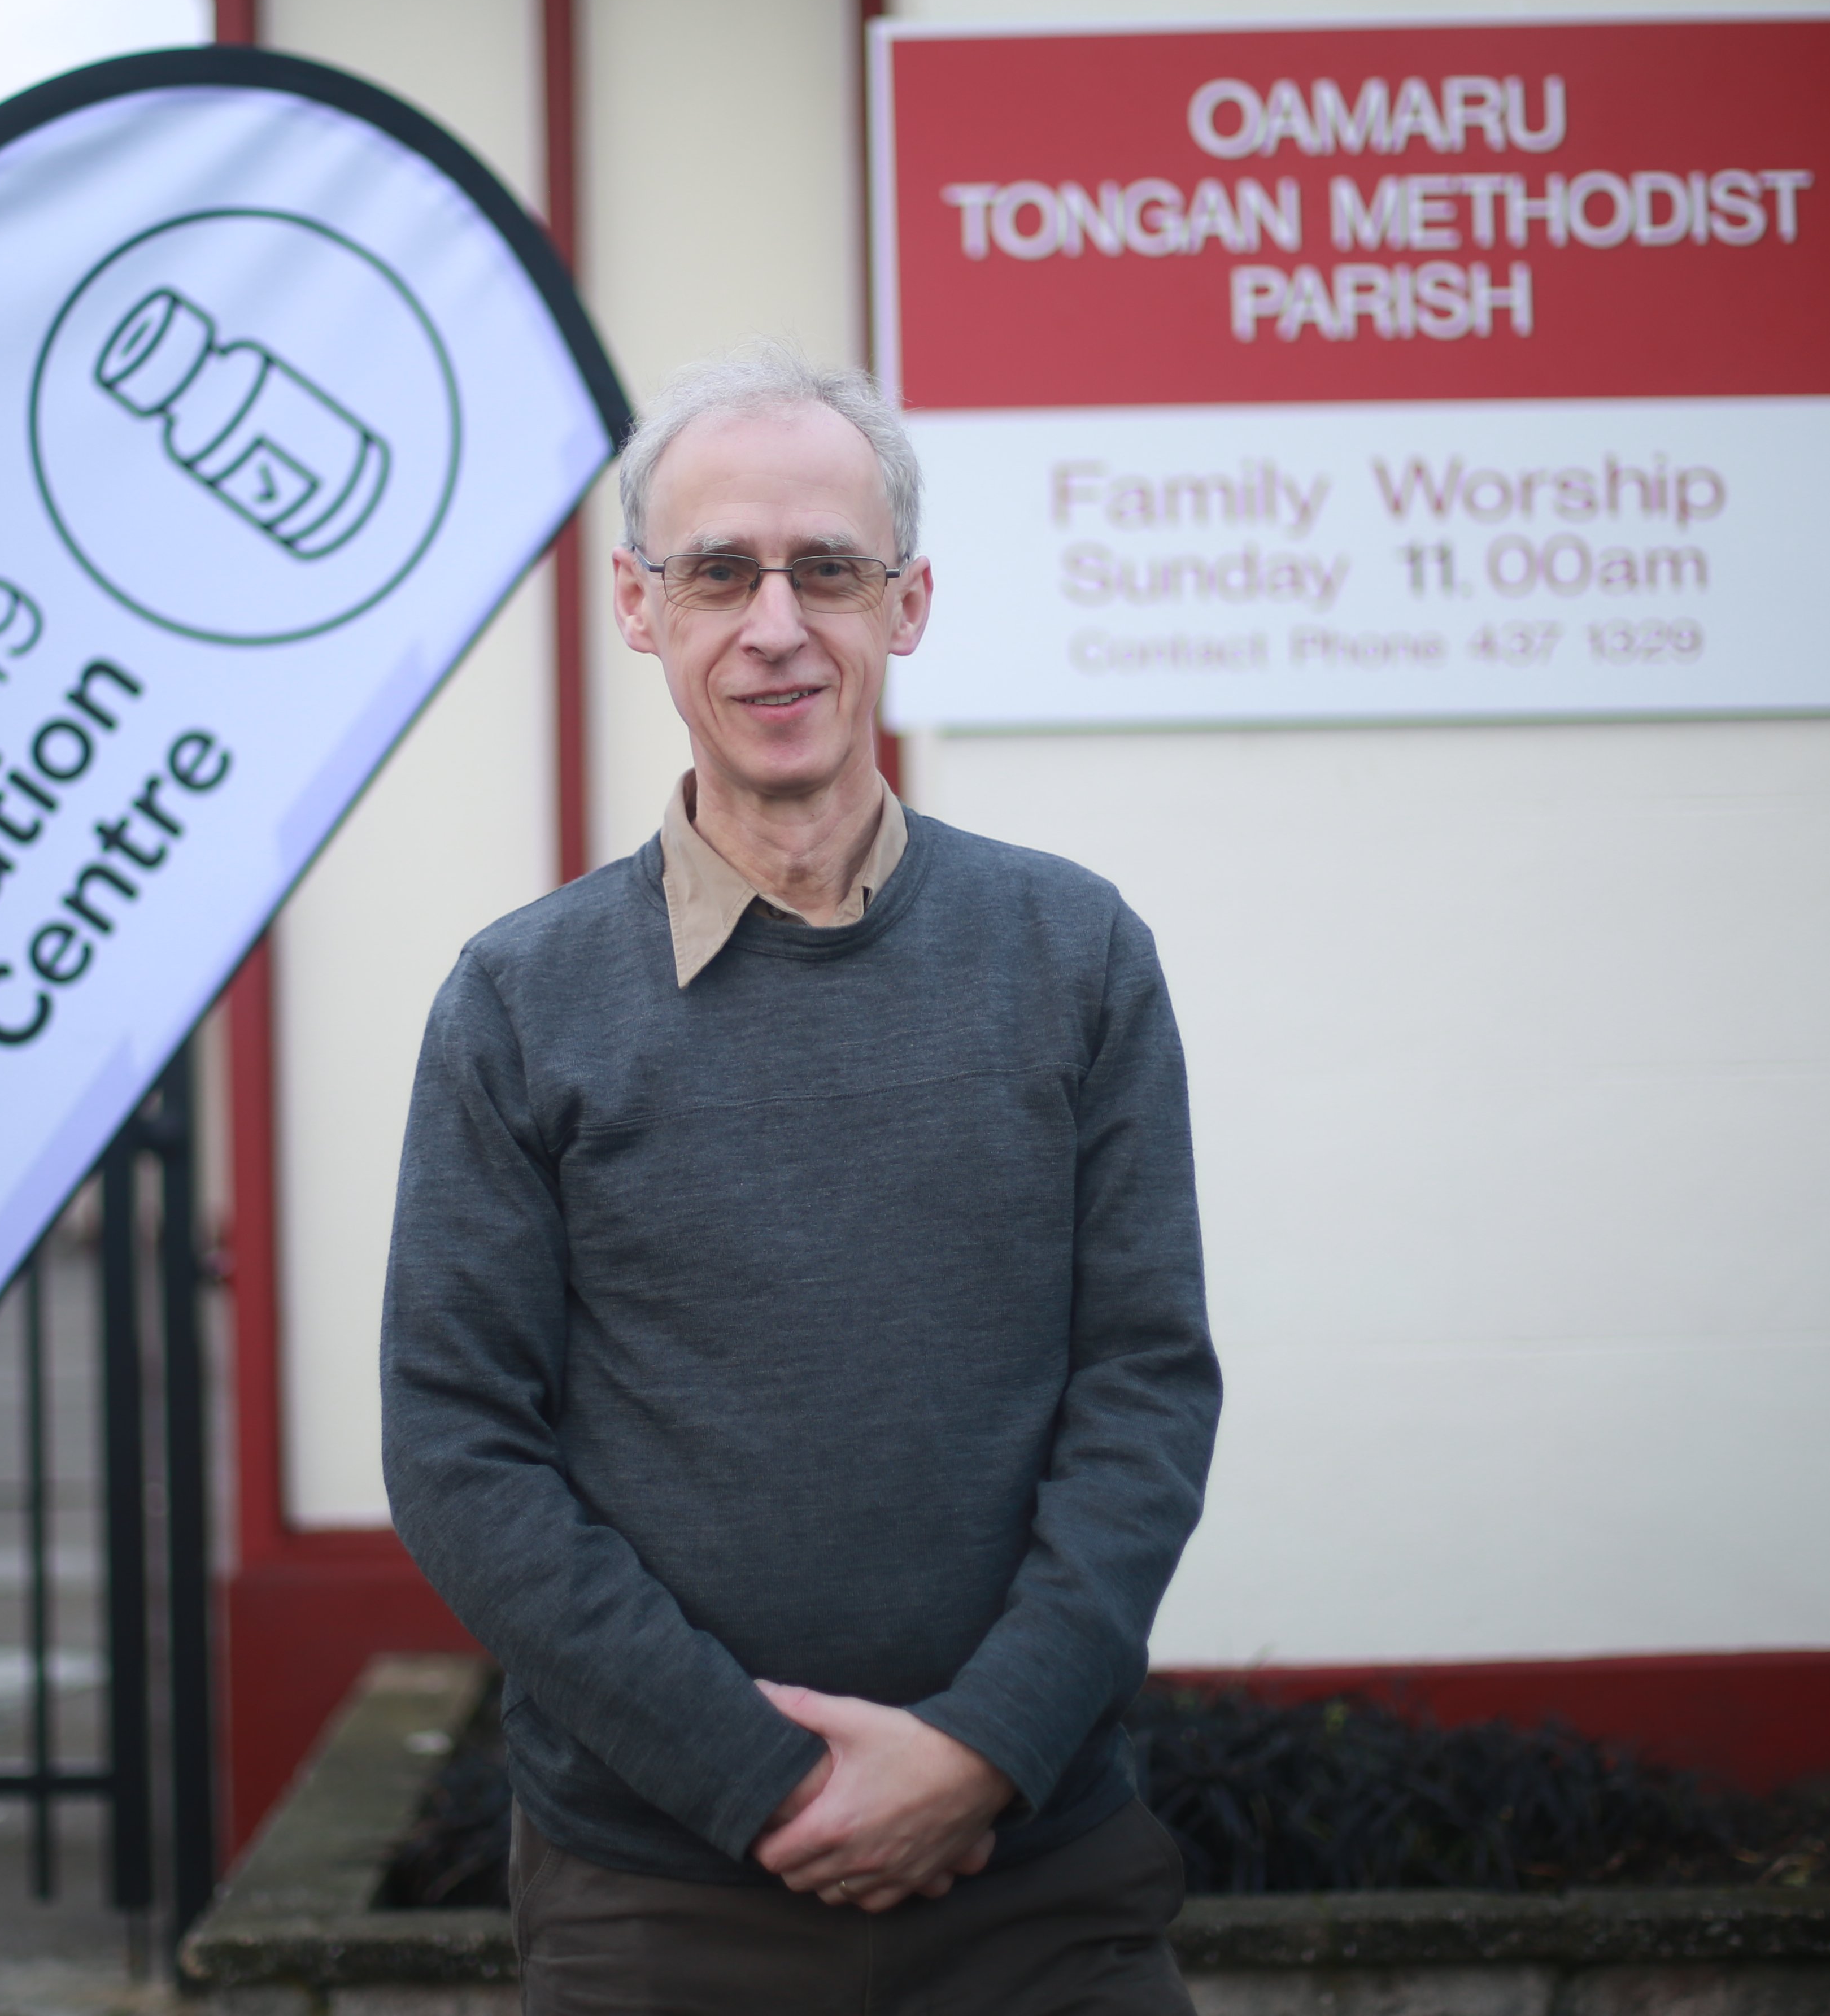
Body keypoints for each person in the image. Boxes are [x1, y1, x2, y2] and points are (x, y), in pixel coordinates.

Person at [381, 342, 1219, 2013]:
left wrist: (983, 1750)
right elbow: (462, 1450)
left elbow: (1144, 1387)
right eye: (719, 573)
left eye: (826, 568)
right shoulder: (519, 1004)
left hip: (1038, 1891)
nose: (776, 625)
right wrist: (772, 1782)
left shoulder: (1075, 957)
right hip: (663, 1912)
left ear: (904, 605)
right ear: (642, 607)